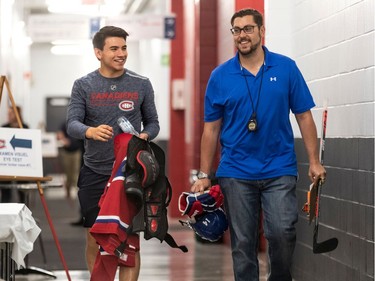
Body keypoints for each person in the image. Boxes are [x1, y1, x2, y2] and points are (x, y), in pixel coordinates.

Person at [191, 8, 326, 281]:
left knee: (282, 231)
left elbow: (303, 116)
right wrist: (204, 175)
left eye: (248, 29)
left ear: (261, 32)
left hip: (279, 167)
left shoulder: (285, 68)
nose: (242, 35)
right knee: (242, 243)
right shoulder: (220, 76)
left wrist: (314, 160)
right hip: (236, 171)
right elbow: (211, 129)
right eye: (237, 30)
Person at [66, 26, 160, 280]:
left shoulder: (141, 84)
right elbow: (72, 124)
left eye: (124, 48)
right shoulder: (83, 85)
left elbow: (153, 122)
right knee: (95, 236)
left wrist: (145, 136)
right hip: (95, 174)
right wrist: (90, 131)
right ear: (98, 52)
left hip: (130, 175)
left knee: (130, 240)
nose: (121, 53)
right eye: (114, 48)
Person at [1, 106, 29, 203]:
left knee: (22, 192)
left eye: (11, 113)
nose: (9, 115)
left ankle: (23, 215)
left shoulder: (24, 127)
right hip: (7, 165)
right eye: (8, 113)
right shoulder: (3, 128)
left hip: (21, 164)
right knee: (5, 192)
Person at [56, 121, 84, 199]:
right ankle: (68, 188)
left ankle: (76, 189)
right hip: (67, 152)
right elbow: (59, 134)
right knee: (68, 173)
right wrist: (64, 139)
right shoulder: (65, 124)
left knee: (76, 171)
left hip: (77, 151)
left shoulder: (80, 123)